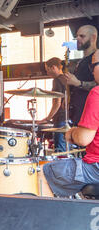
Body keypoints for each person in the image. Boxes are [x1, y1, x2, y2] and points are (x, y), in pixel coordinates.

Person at [43, 49, 99, 197]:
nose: (92, 72)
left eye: (93, 66)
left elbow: (83, 139)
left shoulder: (97, 93)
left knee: (44, 172)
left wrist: (72, 132)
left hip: (95, 168)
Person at [65, 25, 98, 126]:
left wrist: (79, 83)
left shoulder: (96, 58)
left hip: (91, 115)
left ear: (93, 38)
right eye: (77, 36)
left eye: (82, 36)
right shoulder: (82, 60)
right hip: (79, 114)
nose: (78, 39)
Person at [38, 57, 67, 152]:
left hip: (60, 119)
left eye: (48, 70)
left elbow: (57, 102)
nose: (47, 73)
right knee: (67, 150)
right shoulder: (67, 79)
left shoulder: (57, 80)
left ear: (54, 67)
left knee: (60, 151)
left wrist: (47, 118)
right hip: (68, 119)